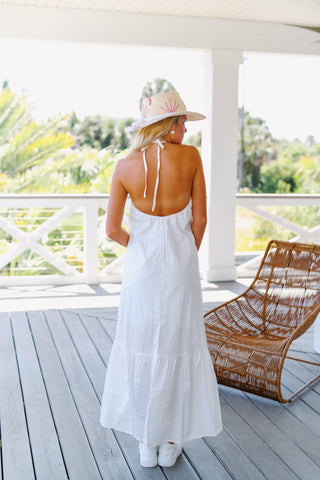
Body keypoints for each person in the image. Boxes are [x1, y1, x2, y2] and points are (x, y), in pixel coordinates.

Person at [100, 90, 222, 468]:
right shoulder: (191, 158)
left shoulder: (125, 166)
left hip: (140, 270)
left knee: (142, 345)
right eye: (182, 122)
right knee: (177, 345)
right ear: (168, 125)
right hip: (181, 270)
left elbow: (112, 230)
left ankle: (145, 442)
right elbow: (200, 221)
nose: (186, 129)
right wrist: (184, 253)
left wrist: (140, 248)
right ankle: (171, 443)